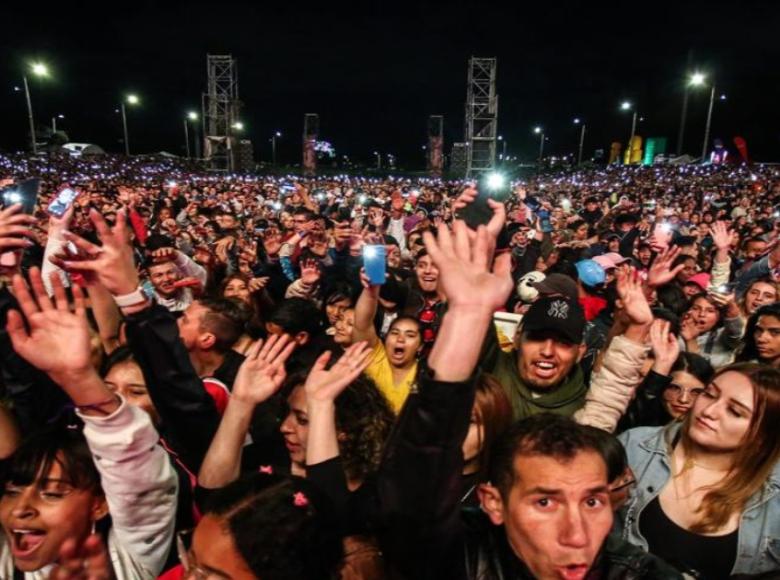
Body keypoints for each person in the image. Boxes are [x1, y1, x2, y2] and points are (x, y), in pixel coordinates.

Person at [371, 216, 679, 579]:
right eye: (545, 501)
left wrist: (638, 326)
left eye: (593, 501)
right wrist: (468, 313)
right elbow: (423, 463)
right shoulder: (464, 554)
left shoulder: (627, 569)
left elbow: (607, 399)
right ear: (494, 501)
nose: (576, 535)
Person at [0, 270, 178, 578]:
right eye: (12, 490)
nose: (20, 508)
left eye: (53, 493)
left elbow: (128, 456)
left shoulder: (126, 560)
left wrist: (79, 379)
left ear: (100, 504)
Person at [618, 363, 780, 578]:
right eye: (709, 394)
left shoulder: (775, 499)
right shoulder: (635, 447)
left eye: (734, 411)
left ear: (762, 437)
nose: (708, 411)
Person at [353, 270, 422, 413]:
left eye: (410, 335)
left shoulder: (424, 376)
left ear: (420, 346)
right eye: (395, 332)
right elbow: (362, 324)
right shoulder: (376, 359)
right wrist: (371, 292)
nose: (400, 339)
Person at [144, 246, 208, 313]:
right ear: (149, 279)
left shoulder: (188, 289)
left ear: (178, 273)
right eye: (159, 275)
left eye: (170, 272)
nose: (166, 279)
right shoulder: (147, 298)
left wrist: (177, 255)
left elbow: (201, 276)